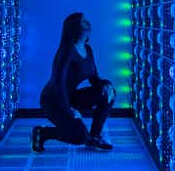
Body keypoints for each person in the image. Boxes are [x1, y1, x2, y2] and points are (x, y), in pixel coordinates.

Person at [31, 12, 116, 152]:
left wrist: (107, 85)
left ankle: (94, 137)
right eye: (83, 22)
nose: (88, 23)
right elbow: (58, 84)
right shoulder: (67, 51)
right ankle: (42, 133)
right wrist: (69, 110)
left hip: (70, 97)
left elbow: (94, 79)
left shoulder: (88, 50)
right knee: (78, 136)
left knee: (107, 92)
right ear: (75, 28)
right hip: (54, 100)